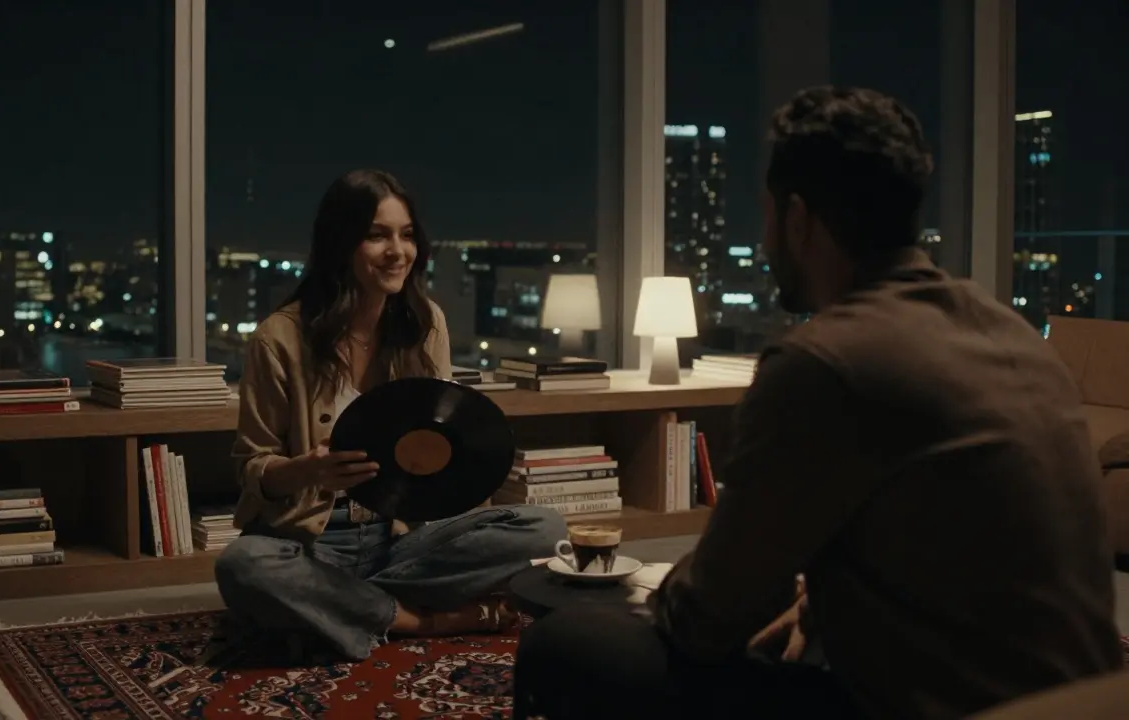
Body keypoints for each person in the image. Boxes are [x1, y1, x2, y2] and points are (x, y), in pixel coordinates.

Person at [513, 86, 1124, 719]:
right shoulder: (1013, 334)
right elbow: (965, 540)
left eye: (769, 215)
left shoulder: (823, 362)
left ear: (798, 218)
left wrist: (668, 595)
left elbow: (707, 619)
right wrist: (817, 604)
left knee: (566, 642)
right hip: (1083, 699)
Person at [216, 169, 566, 662]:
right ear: (341, 244)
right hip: (311, 542)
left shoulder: (427, 325)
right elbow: (251, 468)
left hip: (400, 538)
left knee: (546, 528)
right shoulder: (280, 337)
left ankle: (331, 607)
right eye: (376, 235)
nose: (397, 251)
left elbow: (449, 432)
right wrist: (308, 470)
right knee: (244, 565)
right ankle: (423, 620)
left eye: (406, 235)